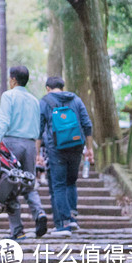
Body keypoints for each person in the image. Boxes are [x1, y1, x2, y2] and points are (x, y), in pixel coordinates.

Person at [0, 65, 47, 240]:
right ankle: (39, 214)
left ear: (13, 79)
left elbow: (4, 121)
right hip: (30, 144)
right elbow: (38, 128)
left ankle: (18, 231)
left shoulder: (8, 95)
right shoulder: (34, 100)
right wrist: (36, 150)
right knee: (29, 184)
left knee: (11, 185)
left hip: (12, 143)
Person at [39, 76, 94, 237]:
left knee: (59, 185)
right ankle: (73, 217)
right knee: (71, 182)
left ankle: (64, 224)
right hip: (77, 146)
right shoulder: (76, 99)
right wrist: (89, 149)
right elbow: (87, 124)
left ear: (48, 88)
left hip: (56, 148)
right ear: (62, 87)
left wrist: (36, 153)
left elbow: (39, 128)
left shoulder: (44, 101)